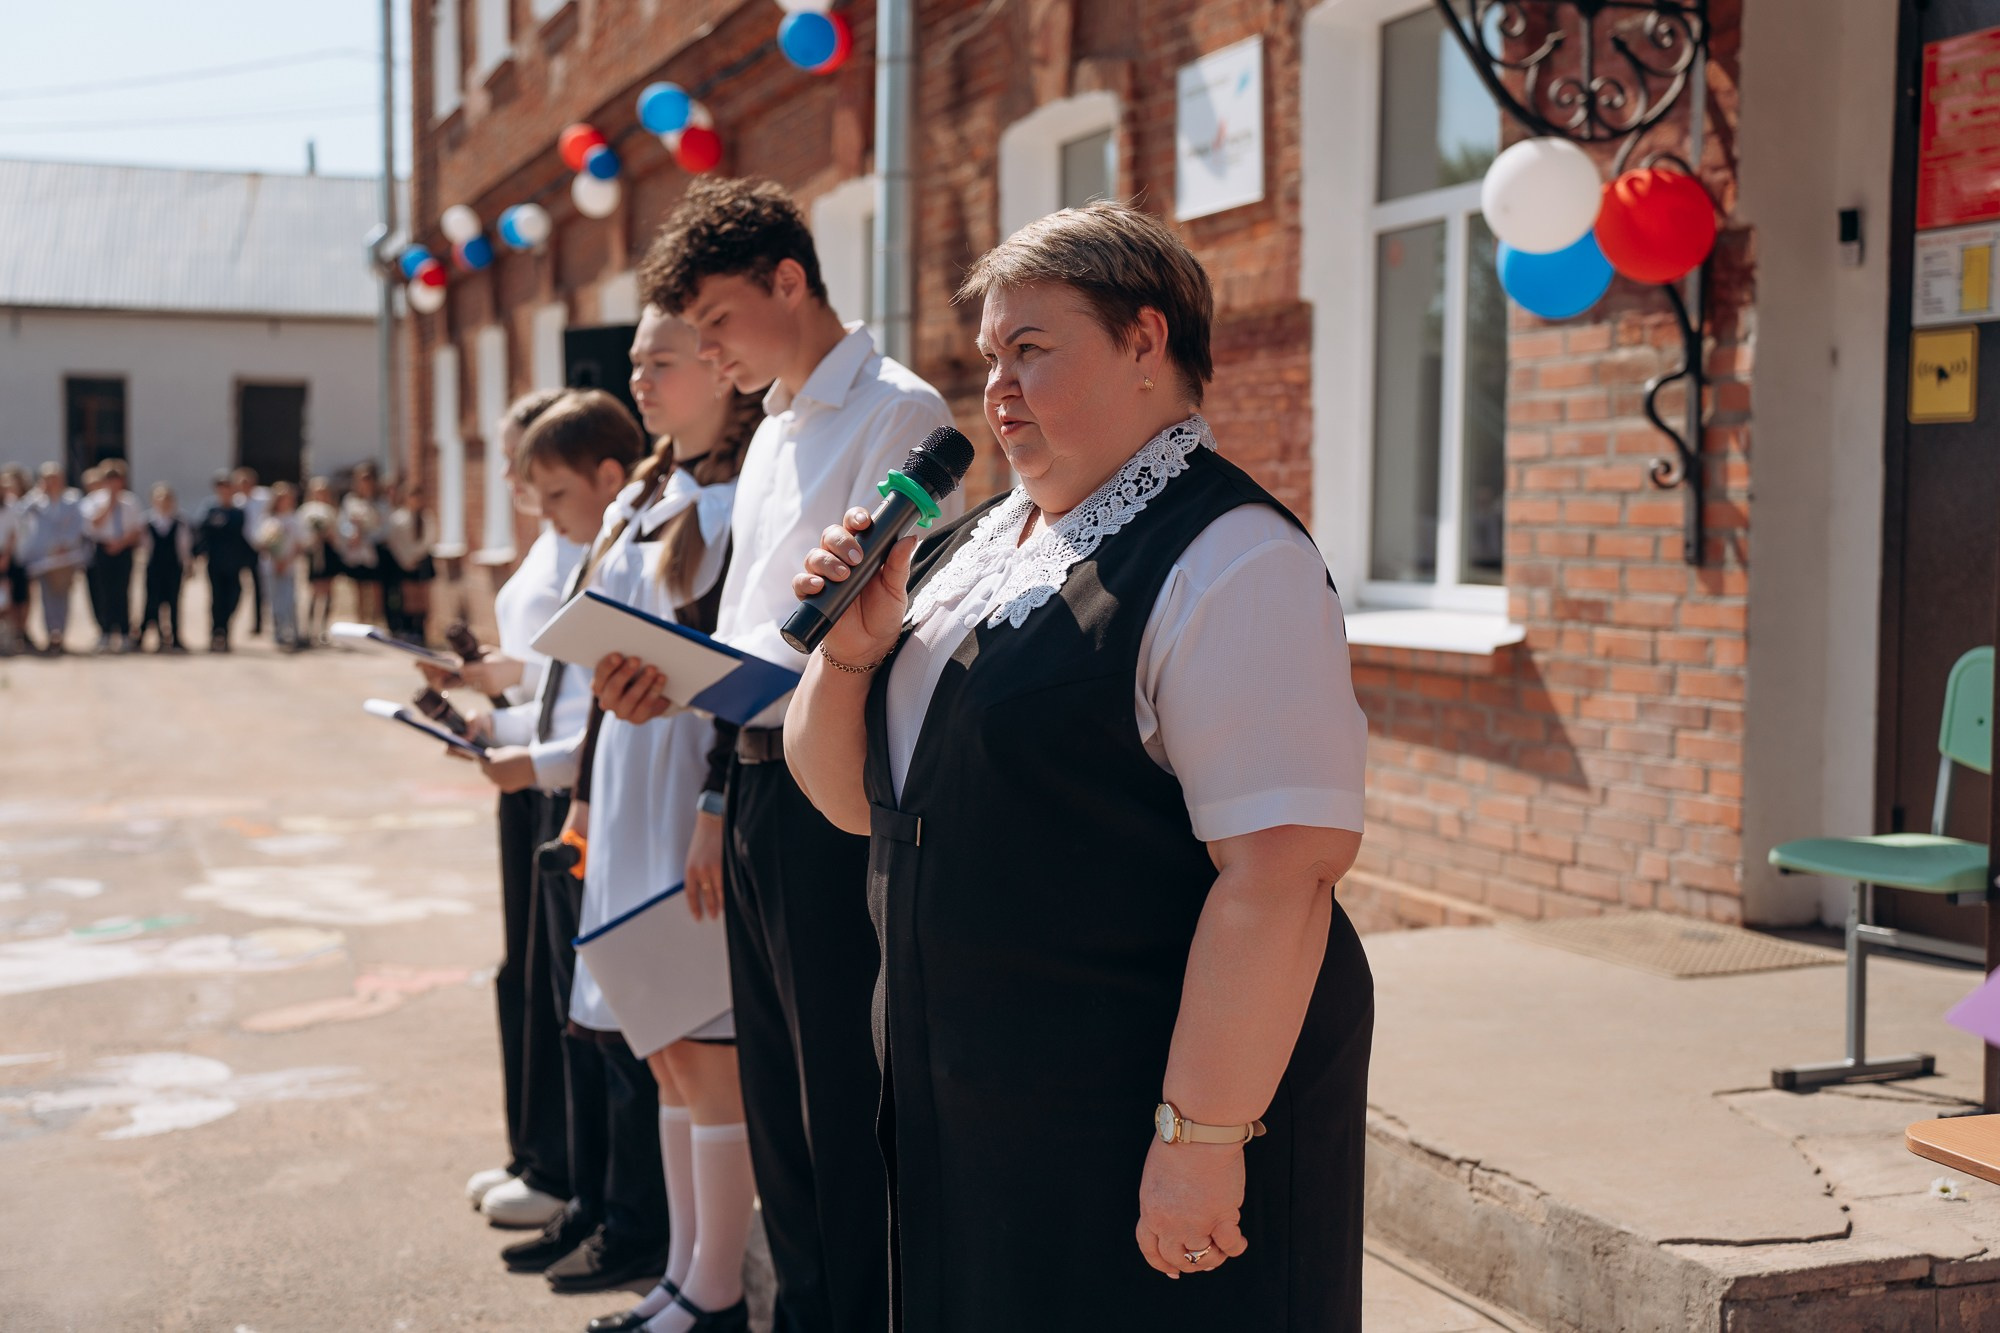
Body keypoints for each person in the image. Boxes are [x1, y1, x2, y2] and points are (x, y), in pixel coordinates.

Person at [782, 203, 1373, 1331]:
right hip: (977, 1099)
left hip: (1132, 1106)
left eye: (1031, 349)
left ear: (1145, 342)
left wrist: (1198, 1142)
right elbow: (848, 804)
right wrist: (851, 656)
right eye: (988, 356)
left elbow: (1280, 876)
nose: (994, 386)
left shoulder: (1230, 558)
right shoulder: (959, 555)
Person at [630, 175, 958, 1333]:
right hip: (757, 780)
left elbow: (866, 620)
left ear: (788, 280)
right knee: (775, 1097)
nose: (709, 349)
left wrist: (719, 679)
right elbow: (747, 629)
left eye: (718, 320)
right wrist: (663, 680)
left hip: (840, 787)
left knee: (840, 1097)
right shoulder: (768, 428)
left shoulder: (895, 412)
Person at [572, 306, 761, 1333]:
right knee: (663, 1045)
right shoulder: (646, 487)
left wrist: (714, 808)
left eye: (662, 359)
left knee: (708, 1043)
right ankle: (683, 1277)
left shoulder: (743, 497)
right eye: (637, 359)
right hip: (630, 777)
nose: (638, 376)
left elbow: (741, 678)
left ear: (720, 370)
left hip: (689, 779)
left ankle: (716, 1290)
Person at [466, 391, 658, 1294]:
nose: (534, 511)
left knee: (611, 1022)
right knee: (570, 1006)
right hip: (567, 788)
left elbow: (596, 712)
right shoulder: (598, 547)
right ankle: (585, 1193)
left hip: (599, 798)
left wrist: (532, 762)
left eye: (548, 494)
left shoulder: (627, 550)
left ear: (606, 478)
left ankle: (621, 1212)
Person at [433, 388, 579, 1232]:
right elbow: (538, 673)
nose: (513, 475)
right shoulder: (546, 545)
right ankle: (534, 1149)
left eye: (522, 455)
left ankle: (557, 1163)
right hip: (524, 756)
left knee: (548, 970)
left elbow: (567, 683)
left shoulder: (581, 544)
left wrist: (508, 695)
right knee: (518, 967)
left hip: (553, 771)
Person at [22, 463, 88, 655]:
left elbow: (78, 525)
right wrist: (36, 492)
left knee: (63, 597)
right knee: (46, 598)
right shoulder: (36, 501)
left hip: (66, 557)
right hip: (43, 558)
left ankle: (61, 634)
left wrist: (64, 544)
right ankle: (51, 634)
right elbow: (20, 513)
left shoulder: (72, 499)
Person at [81, 459, 145, 654]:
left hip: (123, 549)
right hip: (102, 549)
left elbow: (136, 529)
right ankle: (106, 631)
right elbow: (93, 525)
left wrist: (121, 543)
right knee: (103, 591)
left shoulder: (131, 501)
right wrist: (110, 503)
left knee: (122, 590)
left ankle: (124, 631)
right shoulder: (93, 500)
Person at [193, 470, 253, 652]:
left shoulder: (239, 512)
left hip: (234, 562)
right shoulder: (210, 510)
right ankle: (217, 632)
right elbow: (201, 534)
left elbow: (246, 537)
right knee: (217, 598)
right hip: (216, 562)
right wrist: (199, 553)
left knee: (234, 596)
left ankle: (225, 628)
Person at [139, 483, 193, 654]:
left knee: (173, 602)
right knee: (152, 602)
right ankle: (154, 635)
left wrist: (188, 564)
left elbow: (184, 546)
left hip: (173, 567)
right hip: (154, 566)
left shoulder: (180, 521)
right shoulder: (148, 521)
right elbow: (144, 546)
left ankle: (175, 636)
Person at [384, 477, 438, 644]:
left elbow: (429, 539)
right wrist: (407, 559)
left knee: (423, 598)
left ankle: (421, 631)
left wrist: (417, 555)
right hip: (404, 562)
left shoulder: (426, 517)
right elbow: (395, 542)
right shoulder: (398, 518)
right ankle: (408, 630)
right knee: (409, 597)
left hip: (422, 560)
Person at [257, 482, 308, 652]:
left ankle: (293, 632)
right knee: (273, 600)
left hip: (289, 566)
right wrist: (275, 557)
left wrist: (286, 560)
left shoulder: (295, 519)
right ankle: (277, 631)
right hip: (270, 567)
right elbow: (262, 542)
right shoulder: (268, 520)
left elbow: (300, 544)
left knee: (289, 600)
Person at [336, 462, 386, 626]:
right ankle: (361, 621)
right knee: (358, 588)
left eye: (367, 479)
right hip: (357, 549)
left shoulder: (379, 501)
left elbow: (383, 526)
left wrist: (367, 536)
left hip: (375, 549)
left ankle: (376, 622)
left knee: (376, 588)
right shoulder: (350, 500)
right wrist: (352, 535)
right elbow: (343, 523)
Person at [299, 477, 340, 646]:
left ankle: (324, 628)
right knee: (314, 592)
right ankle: (308, 629)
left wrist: (329, 534)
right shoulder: (305, 510)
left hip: (328, 553)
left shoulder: (332, 511)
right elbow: (300, 533)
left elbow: (338, 534)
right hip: (313, 553)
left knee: (328, 592)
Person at [233, 467, 271, 637]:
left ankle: (259, 623)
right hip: (241, 547)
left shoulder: (264, 497)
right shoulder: (236, 501)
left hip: (260, 546)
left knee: (260, 586)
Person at [0, 464, 32, 655]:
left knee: (11, 599)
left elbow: (14, 533)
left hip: (8, 558)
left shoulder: (12, 505)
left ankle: (13, 637)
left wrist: (6, 556)